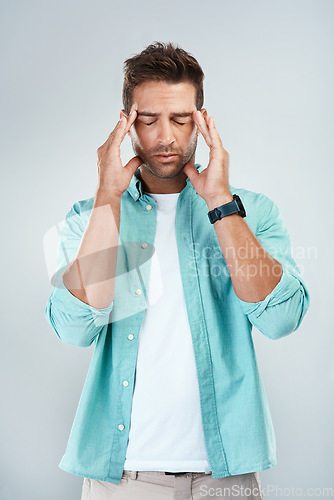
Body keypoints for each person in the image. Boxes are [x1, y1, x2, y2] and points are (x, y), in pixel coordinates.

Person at [45, 42, 310, 499]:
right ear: (126, 122)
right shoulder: (88, 217)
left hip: (226, 475)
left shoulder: (251, 212)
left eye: (180, 119)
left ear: (202, 121)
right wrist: (108, 195)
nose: (164, 136)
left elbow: (281, 319)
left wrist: (220, 204)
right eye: (148, 120)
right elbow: (72, 327)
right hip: (123, 475)